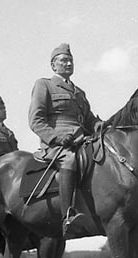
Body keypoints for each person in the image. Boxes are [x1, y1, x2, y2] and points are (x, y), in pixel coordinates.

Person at [28, 43, 101, 237]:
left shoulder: (79, 92)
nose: (69, 63)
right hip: (58, 145)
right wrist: (56, 138)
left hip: (81, 139)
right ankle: (68, 216)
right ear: (53, 65)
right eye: (64, 60)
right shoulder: (44, 85)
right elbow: (36, 120)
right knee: (69, 159)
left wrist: (100, 125)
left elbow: (89, 119)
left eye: (71, 60)